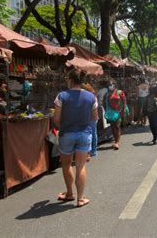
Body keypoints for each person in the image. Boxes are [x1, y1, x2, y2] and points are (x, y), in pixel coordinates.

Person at [53, 69, 98, 208]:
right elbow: (94, 118)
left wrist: (65, 125)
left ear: (70, 80)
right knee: (81, 166)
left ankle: (69, 193)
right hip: (84, 133)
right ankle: (80, 198)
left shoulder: (62, 96)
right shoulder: (91, 97)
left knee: (66, 165)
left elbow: (56, 119)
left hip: (66, 134)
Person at [103, 79, 127, 149]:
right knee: (113, 127)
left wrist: (124, 109)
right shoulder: (107, 94)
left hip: (118, 112)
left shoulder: (120, 92)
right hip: (110, 113)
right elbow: (104, 102)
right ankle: (115, 140)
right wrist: (106, 111)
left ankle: (117, 142)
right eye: (109, 85)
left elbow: (124, 100)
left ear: (114, 85)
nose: (110, 86)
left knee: (117, 126)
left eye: (111, 84)